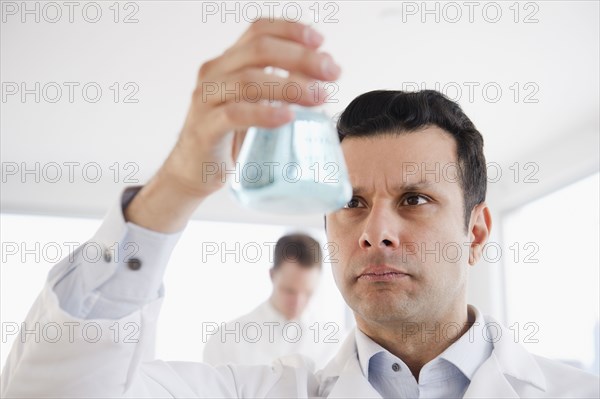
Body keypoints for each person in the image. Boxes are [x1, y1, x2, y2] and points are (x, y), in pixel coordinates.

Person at [2, 19, 598, 398]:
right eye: (351, 203)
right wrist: (174, 190)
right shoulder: (259, 389)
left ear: (476, 231)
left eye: (414, 200)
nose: (375, 232)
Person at [202, 233, 341, 369]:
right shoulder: (225, 340)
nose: (298, 302)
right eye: (289, 291)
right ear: (272, 275)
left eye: (307, 293)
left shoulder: (332, 343)